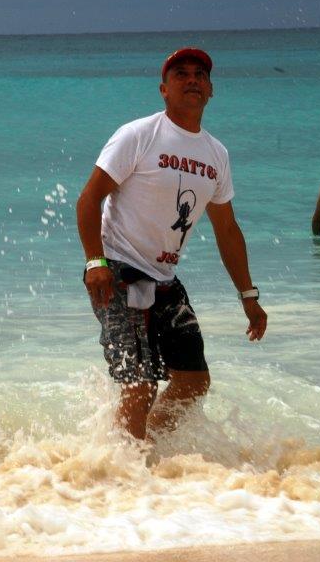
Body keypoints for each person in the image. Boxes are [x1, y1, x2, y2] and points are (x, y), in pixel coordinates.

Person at [76, 47, 267, 440]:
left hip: (164, 278)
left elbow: (227, 230)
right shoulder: (139, 135)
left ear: (211, 90)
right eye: (181, 74)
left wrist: (248, 295)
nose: (192, 79)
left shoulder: (216, 154)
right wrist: (95, 261)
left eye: (200, 74)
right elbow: (89, 199)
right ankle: (125, 468)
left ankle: (145, 451)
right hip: (119, 271)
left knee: (193, 382)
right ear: (164, 89)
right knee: (140, 385)